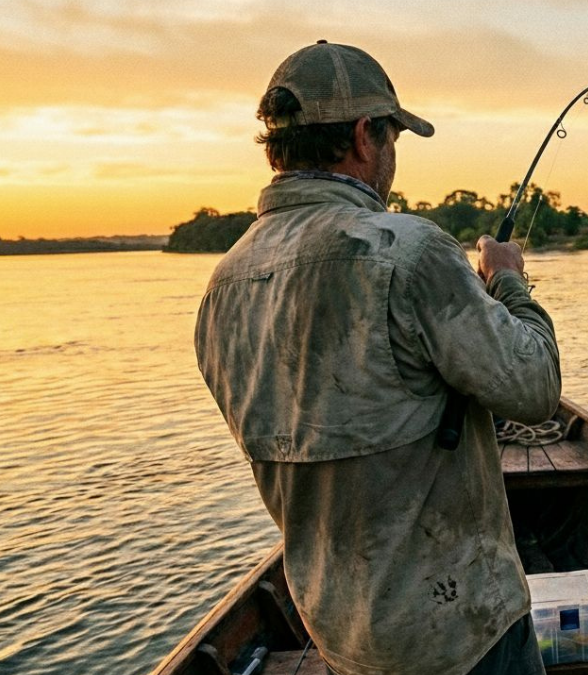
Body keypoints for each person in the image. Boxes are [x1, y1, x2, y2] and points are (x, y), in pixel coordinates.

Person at [194, 41, 560, 675]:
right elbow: (533, 387)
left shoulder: (222, 287)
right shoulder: (409, 251)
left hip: (339, 634)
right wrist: (506, 283)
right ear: (365, 136)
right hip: (461, 635)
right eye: (393, 137)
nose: (391, 156)